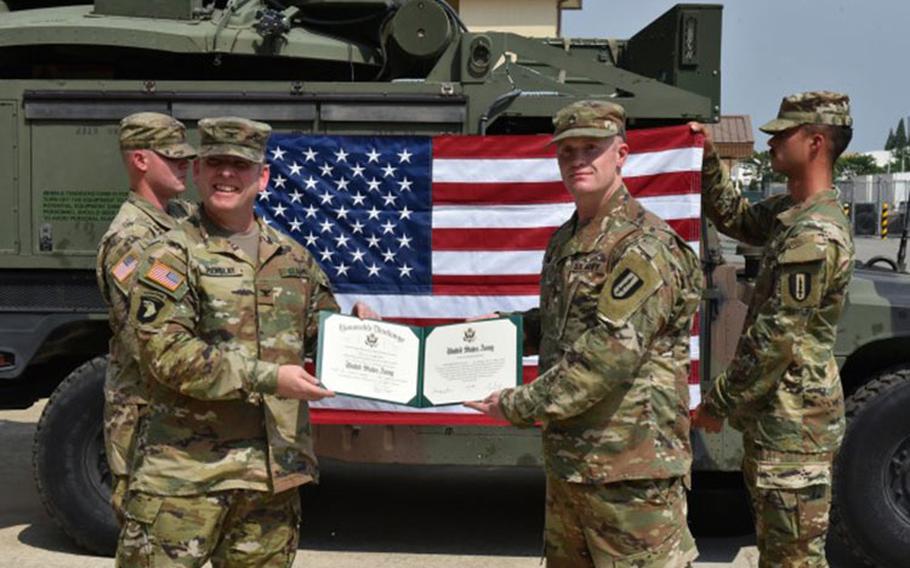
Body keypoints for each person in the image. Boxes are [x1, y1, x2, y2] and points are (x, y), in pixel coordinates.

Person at [117, 116, 376, 567]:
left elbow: (318, 332)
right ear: (197, 170)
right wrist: (271, 378)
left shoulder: (292, 257)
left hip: (271, 483)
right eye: (215, 162)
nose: (227, 174)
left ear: (263, 176)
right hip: (185, 480)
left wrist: (357, 331)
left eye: (240, 164)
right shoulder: (170, 255)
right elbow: (167, 354)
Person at [466, 100, 704, 567]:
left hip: (631, 474)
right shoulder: (568, 240)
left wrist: (517, 404)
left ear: (621, 154)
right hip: (573, 466)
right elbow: (562, 325)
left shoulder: (645, 246)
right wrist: (503, 333)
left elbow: (607, 355)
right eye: (567, 150)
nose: (577, 160)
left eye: (591, 148)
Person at [690, 91, 855, 567]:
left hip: (794, 430)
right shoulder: (793, 214)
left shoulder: (813, 235)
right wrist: (707, 160)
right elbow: (738, 218)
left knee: (792, 560)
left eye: (784, 133)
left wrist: (716, 404)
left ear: (816, 142)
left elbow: (773, 340)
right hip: (778, 426)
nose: (771, 142)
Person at [96, 111, 197, 517]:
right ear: (140, 160)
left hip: (179, 415)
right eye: (173, 158)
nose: (184, 165)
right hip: (149, 423)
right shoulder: (131, 239)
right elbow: (150, 342)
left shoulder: (181, 217)